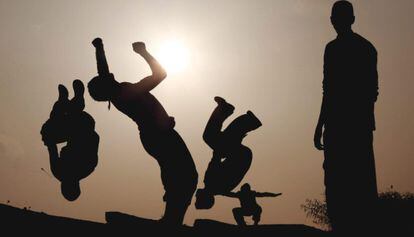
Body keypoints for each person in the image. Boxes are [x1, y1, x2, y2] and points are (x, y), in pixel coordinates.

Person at [88, 38, 198, 225]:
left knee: (179, 175)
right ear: (106, 85)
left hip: (155, 136)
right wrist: (143, 53)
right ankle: (172, 221)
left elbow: (102, 70)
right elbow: (160, 74)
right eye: (105, 78)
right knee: (184, 176)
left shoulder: (118, 93)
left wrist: (99, 48)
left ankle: (172, 219)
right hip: (159, 136)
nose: (109, 74)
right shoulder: (127, 93)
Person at [313, 1, 379, 233]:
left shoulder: (358, 49)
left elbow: (369, 91)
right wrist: (321, 123)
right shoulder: (362, 48)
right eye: (334, 17)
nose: (334, 21)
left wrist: (323, 122)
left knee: (351, 180)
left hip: (350, 125)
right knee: (342, 180)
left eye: (337, 17)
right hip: (346, 124)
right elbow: (328, 89)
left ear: (349, 19)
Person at [195, 97, 262, 209]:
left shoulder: (218, 189)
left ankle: (242, 118)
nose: (195, 195)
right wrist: (220, 146)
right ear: (204, 197)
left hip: (242, 156)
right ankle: (240, 118)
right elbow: (216, 158)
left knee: (218, 140)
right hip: (240, 156)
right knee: (209, 137)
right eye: (197, 198)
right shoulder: (211, 182)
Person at [41, 80, 99, 201]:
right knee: (49, 132)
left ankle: (64, 102)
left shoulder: (61, 171)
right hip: (85, 124)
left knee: (47, 132)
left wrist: (50, 135)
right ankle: (72, 102)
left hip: (78, 126)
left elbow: (51, 147)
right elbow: (95, 138)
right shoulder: (85, 168)